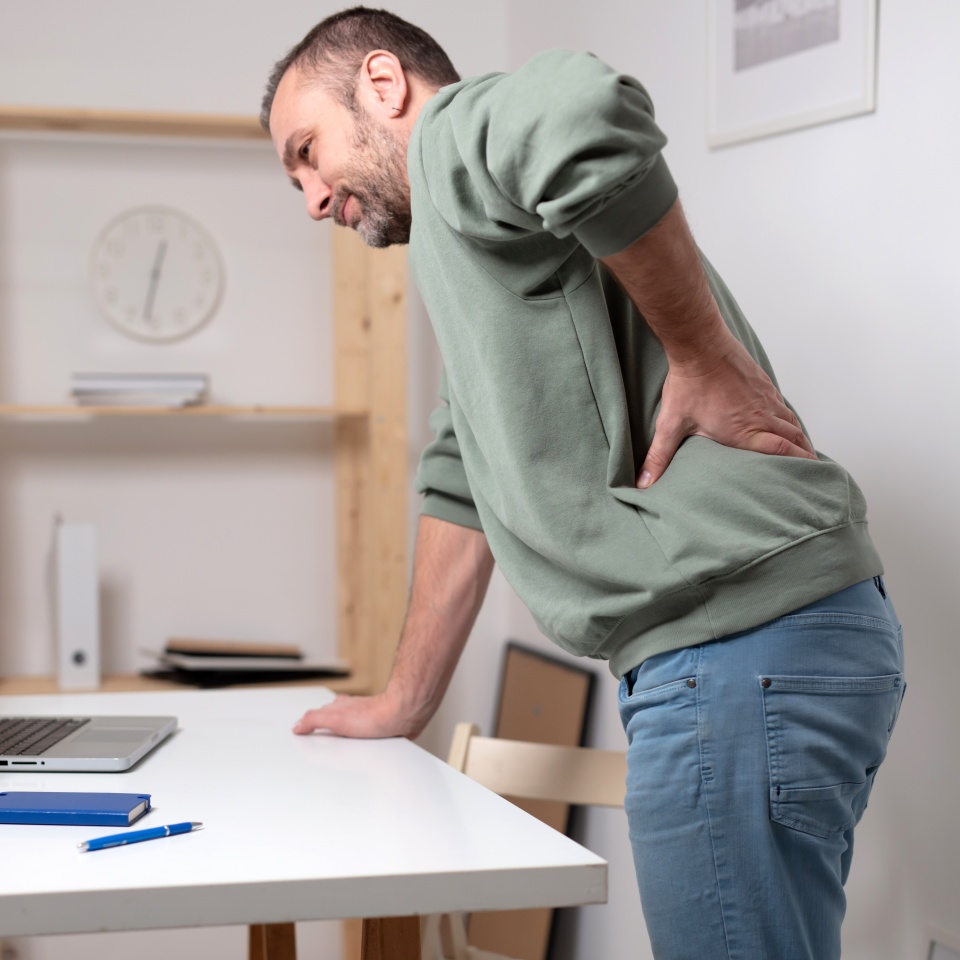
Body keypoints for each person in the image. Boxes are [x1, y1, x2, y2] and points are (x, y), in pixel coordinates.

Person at [260, 8, 905, 959]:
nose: (313, 197)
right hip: (749, 648)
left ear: (385, 86)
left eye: (307, 152)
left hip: (733, 648)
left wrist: (705, 356)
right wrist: (405, 699)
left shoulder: (454, 138)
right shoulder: (464, 243)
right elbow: (460, 476)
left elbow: (579, 109)